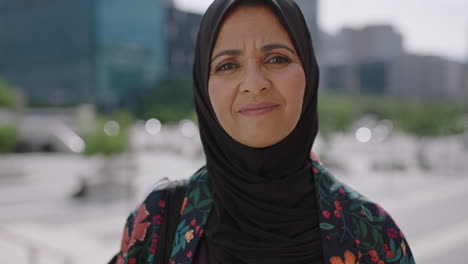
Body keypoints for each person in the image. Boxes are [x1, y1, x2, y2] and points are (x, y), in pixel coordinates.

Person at [110, 0, 415, 263]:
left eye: (276, 59)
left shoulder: (371, 234)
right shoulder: (158, 220)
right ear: (204, 87)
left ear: (308, 74)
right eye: (228, 65)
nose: (254, 83)